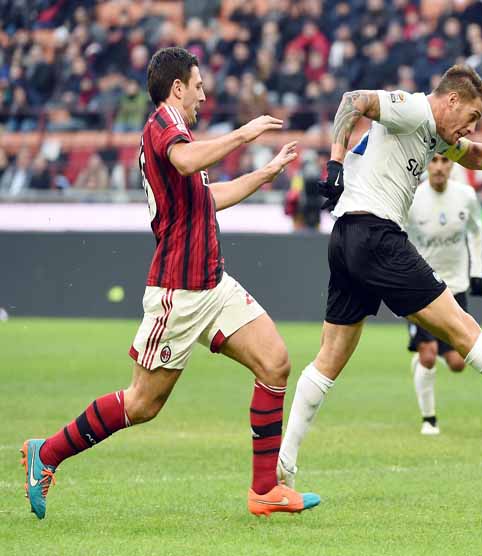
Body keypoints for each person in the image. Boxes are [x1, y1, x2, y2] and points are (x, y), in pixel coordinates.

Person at [20, 47, 319, 520]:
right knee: (142, 404)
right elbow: (185, 163)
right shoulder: (163, 126)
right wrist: (242, 134)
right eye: (198, 86)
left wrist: (262, 175)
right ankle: (47, 453)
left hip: (213, 284)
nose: (203, 94)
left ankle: (264, 491)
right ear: (177, 87)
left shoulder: (180, 135)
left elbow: (207, 198)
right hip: (177, 293)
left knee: (275, 363)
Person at [277, 64, 482, 494]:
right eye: (470, 117)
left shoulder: (434, 133)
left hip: (347, 239)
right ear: (451, 101)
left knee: (329, 359)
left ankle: (283, 467)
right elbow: (352, 101)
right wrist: (334, 162)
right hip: (377, 235)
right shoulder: (411, 109)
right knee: (463, 331)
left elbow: (474, 156)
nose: (470, 126)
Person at [405, 152, 482, 435]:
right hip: (421, 287)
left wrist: (478, 271)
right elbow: (398, 236)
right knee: (428, 355)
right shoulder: (412, 199)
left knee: (458, 363)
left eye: (445, 161)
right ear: (427, 164)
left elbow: (476, 231)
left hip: (456, 286)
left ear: (452, 165)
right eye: (434, 161)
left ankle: (424, 355)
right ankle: (429, 419)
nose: (439, 167)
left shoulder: (466, 196)